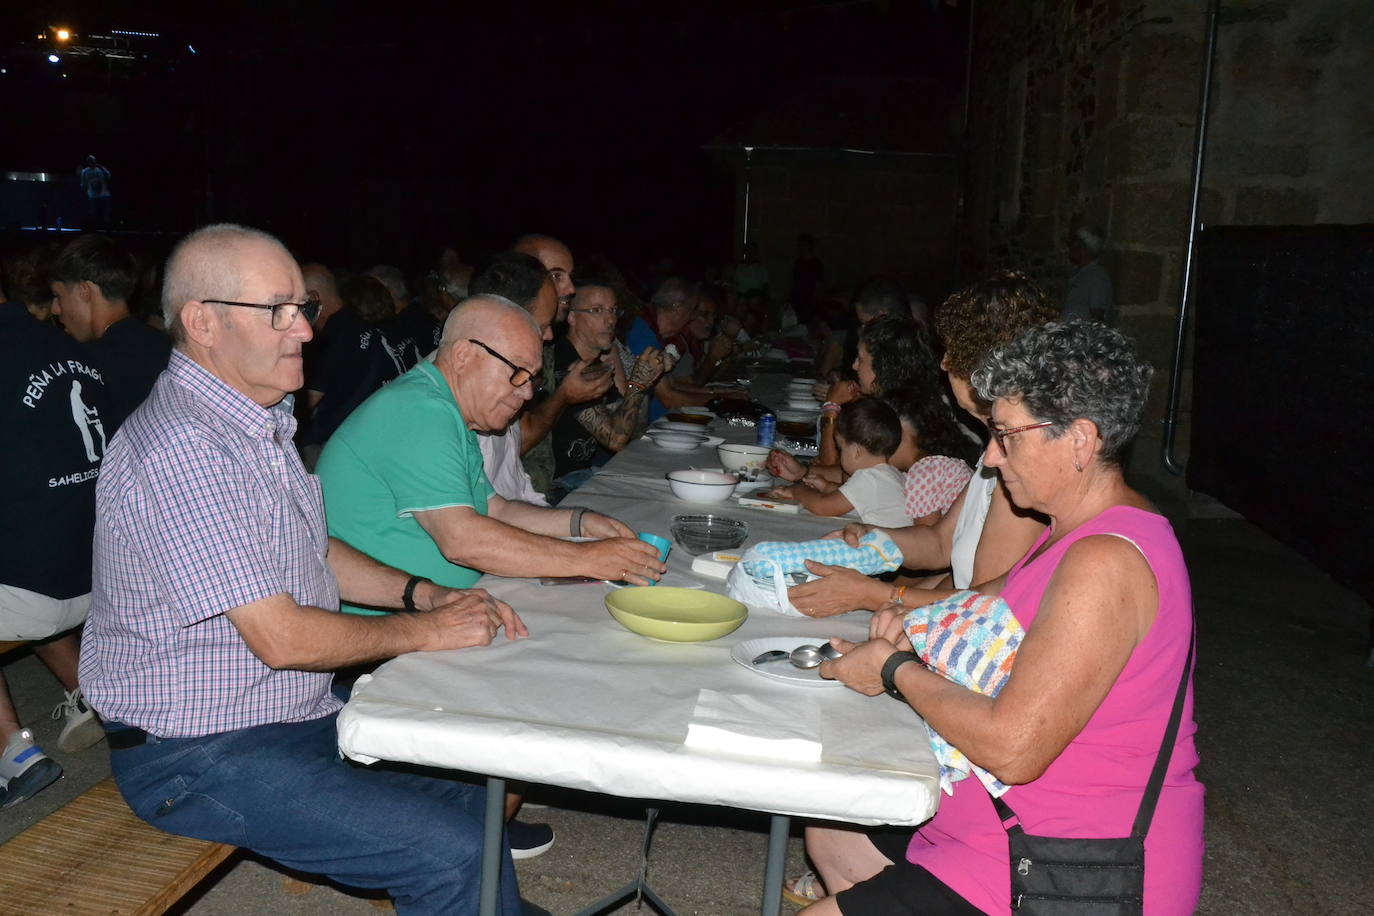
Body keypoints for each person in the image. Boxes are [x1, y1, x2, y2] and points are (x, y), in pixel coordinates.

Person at [79, 223, 536, 915]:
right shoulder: (183, 446)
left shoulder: (254, 420)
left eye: (306, 307)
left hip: (290, 716)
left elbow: (312, 548)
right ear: (204, 322)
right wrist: (423, 634)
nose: (304, 330)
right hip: (198, 752)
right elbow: (283, 638)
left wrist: (423, 595)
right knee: (456, 849)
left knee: (486, 785)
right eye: (280, 311)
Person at [799, 320, 1202, 915]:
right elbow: (987, 600)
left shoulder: (1106, 562)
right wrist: (896, 609)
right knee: (833, 824)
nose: (989, 456)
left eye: (1007, 437)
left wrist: (894, 670)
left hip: (1067, 866)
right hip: (1011, 831)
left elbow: (1014, 748)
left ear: (1080, 442)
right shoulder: (1071, 532)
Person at [316, 295, 665, 605]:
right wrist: (588, 558)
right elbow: (463, 540)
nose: (527, 393)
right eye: (517, 373)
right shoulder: (419, 410)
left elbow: (495, 510)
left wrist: (581, 522)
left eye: (532, 378)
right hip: (391, 637)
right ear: (464, 355)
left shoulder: (449, 410)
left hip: (452, 608)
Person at [783, 271, 1057, 618]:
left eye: (953, 353)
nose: (943, 365)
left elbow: (982, 608)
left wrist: (874, 595)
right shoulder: (995, 448)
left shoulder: (1022, 468)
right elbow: (940, 543)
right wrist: (871, 536)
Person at [0, 291, 113, 808]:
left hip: (43, 591)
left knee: (22, 572)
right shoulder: (75, 348)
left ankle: (14, 752)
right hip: (106, 575)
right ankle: (95, 692)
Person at [468, 251, 611, 502]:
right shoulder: (464, 389)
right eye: (556, 275)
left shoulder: (527, 362)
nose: (569, 288)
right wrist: (564, 396)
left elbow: (513, 489)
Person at [549, 277, 665, 496]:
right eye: (596, 310)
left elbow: (634, 432)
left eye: (613, 311)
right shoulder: (566, 363)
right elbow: (615, 440)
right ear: (571, 317)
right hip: (559, 484)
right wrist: (638, 383)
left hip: (587, 473)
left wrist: (644, 383)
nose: (610, 320)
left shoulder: (596, 361)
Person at [49, 234, 171, 430]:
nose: (55, 309)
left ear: (84, 291)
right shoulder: (165, 346)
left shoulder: (87, 364)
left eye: (58, 296)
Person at [302, 274, 418, 450]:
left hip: (348, 441)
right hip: (393, 431)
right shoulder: (392, 330)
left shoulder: (339, 332)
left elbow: (309, 400)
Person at [769, 399, 910, 528]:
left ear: (856, 451)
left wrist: (796, 490)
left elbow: (822, 506)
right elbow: (853, 499)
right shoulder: (891, 474)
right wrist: (826, 486)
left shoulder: (869, 478)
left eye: (841, 448)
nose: (840, 453)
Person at [1063, 227, 1114, 324]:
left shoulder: (1097, 277)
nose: (1070, 249)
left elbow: (1097, 317)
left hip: (1082, 338)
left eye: (1074, 245)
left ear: (1084, 250)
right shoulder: (1080, 274)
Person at [790, 233, 825, 326]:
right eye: (800, 245)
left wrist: (815, 301)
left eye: (804, 245)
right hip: (798, 299)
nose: (802, 248)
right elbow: (794, 282)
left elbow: (819, 284)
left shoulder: (816, 264)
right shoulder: (798, 262)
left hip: (810, 300)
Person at [78, 156, 112, 230]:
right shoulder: (85, 171)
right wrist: (86, 194)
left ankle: (108, 230)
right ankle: (94, 230)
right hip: (93, 196)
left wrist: (102, 167)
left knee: (105, 214)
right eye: (90, 161)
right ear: (88, 162)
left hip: (104, 194)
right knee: (94, 214)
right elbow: (83, 184)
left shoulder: (100, 169)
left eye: (93, 160)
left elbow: (109, 176)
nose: (92, 162)